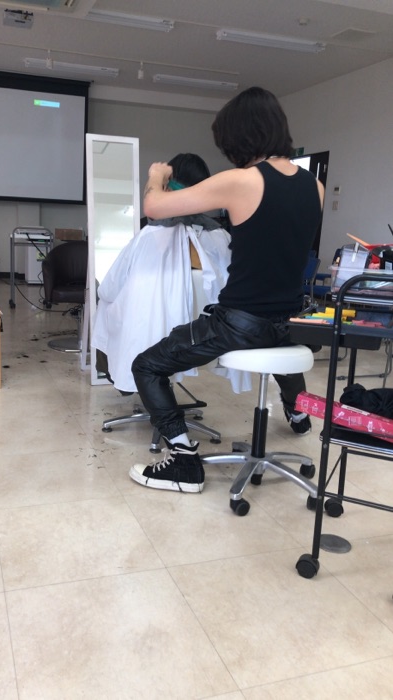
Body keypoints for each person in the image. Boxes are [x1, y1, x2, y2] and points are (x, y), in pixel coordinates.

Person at [129, 86, 325, 493]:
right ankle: (298, 414)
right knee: (277, 339)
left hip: (241, 323)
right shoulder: (315, 186)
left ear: (239, 136)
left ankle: (183, 462)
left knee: (146, 365)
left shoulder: (241, 181)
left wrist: (156, 177)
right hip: (290, 322)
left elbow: (154, 208)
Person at [91, 153, 250, 395]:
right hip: (206, 336)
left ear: (166, 186)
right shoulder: (221, 236)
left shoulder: (152, 236)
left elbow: (109, 288)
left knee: (104, 304)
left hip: (154, 337)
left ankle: (123, 377)